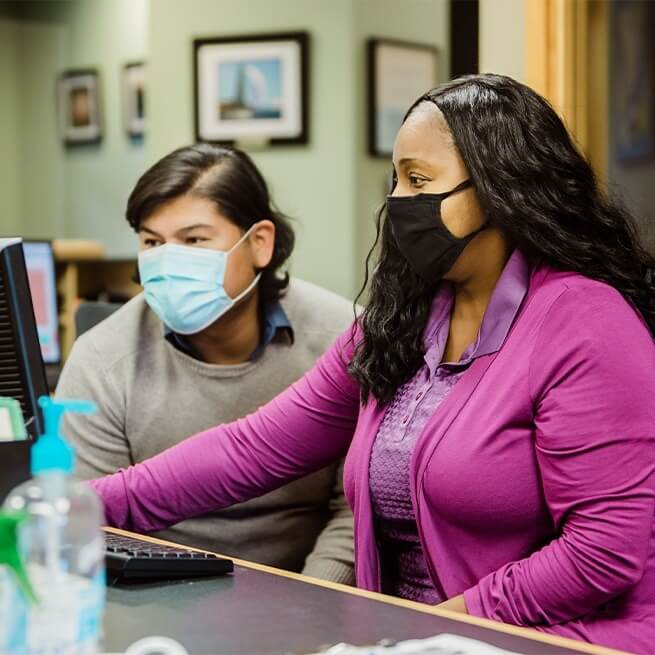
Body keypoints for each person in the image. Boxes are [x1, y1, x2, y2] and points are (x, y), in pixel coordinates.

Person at [89, 75, 655, 654]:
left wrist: (439, 629)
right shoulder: (400, 322)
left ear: (498, 188)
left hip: (548, 639)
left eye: (419, 180)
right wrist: (81, 505)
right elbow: (253, 449)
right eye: (397, 180)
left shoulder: (586, 321)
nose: (399, 202)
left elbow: (604, 549)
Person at [56, 144, 356, 584]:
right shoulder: (103, 358)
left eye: (194, 240)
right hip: (157, 595)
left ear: (259, 243)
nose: (166, 260)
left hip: (312, 592)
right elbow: (91, 523)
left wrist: (315, 601)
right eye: (152, 242)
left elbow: (355, 511)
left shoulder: (342, 337)